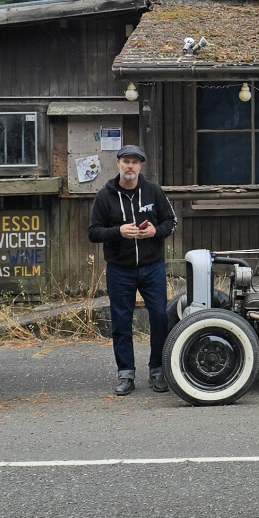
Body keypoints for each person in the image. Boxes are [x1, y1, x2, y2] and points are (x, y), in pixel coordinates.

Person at [88, 145, 175, 396]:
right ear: (118, 164)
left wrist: (155, 231)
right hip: (120, 270)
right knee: (121, 322)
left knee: (159, 317)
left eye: (135, 162)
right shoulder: (105, 196)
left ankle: (158, 369)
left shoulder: (153, 192)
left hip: (152, 267)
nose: (130, 166)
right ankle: (125, 374)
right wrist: (118, 232)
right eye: (126, 161)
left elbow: (172, 221)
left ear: (141, 166)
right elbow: (93, 232)